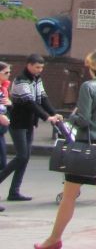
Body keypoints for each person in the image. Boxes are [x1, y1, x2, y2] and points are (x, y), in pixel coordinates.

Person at [34, 49, 96, 249]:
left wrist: (71, 117)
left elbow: (83, 119)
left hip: (86, 144)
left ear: (93, 67)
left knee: (69, 195)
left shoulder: (88, 87)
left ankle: (54, 239)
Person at [0, 53, 62, 202]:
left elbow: (43, 98)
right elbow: (29, 103)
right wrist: (47, 117)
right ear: (29, 65)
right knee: (22, 156)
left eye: (41, 67)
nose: (39, 70)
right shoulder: (21, 80)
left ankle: (14, 191)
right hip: (18, 122)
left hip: (29, 123)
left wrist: (54, 113)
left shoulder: (37, 79)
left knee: (25, 157)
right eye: (37, 67)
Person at [0, 61, 11, 212]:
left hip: (1, 131)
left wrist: (9, 103)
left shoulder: (3, 88)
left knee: (2, 163)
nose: (9, 75)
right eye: (6, 72)